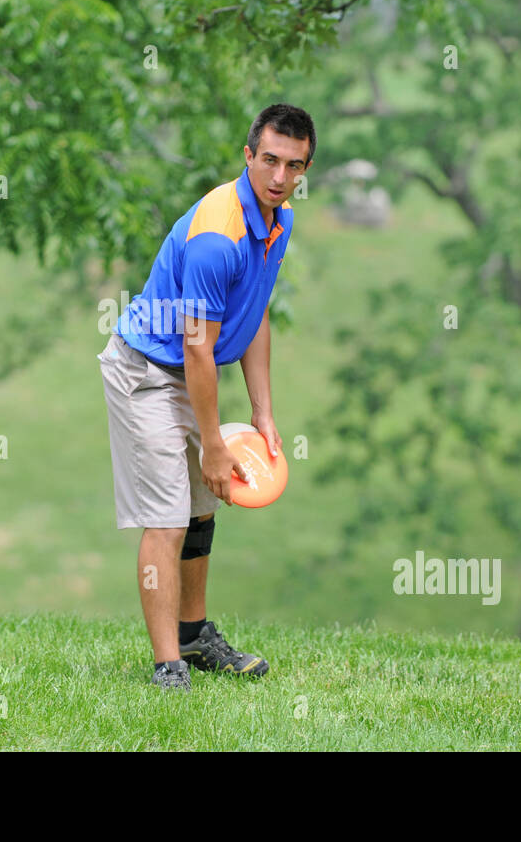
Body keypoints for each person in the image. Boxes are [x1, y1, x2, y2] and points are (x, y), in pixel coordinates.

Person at [96, 103, 315, 690]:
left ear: (303, 171)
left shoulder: (280, 219)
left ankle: (194, 638)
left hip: (194, 371)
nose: (277, 176)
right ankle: (168, 665)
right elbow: (197, 348)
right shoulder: (219, 235)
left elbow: (255, 311)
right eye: (268, 160)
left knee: (201, 510)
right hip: (148, 371)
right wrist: (213, 444)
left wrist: (263, 412)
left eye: (292, 166)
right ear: (248, 156)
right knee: (167, 517)